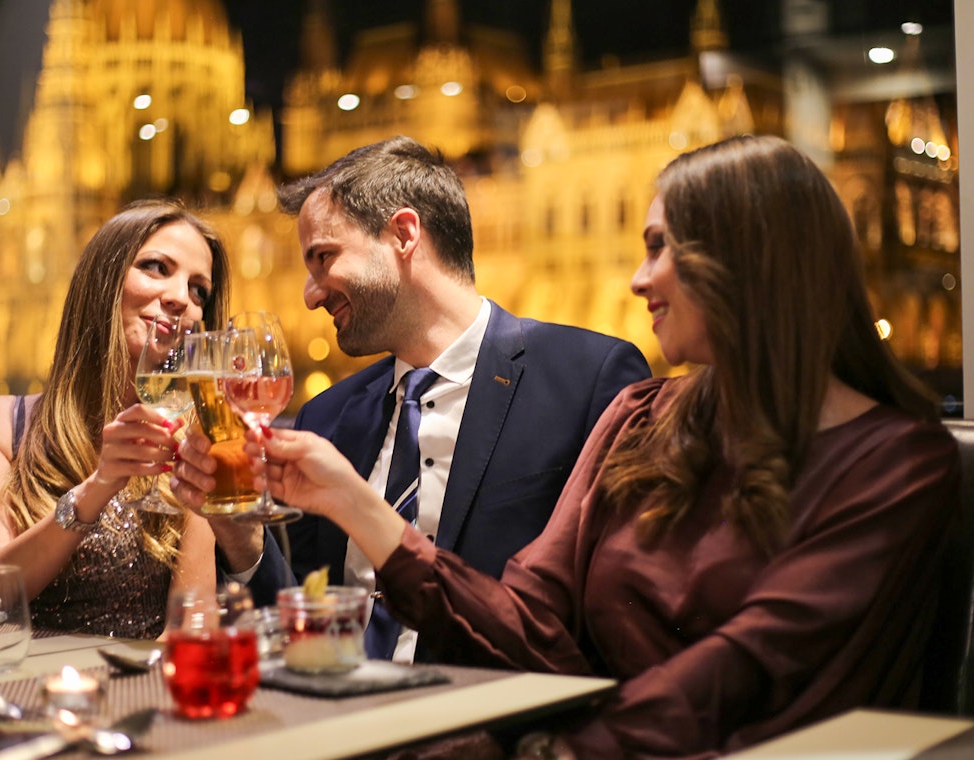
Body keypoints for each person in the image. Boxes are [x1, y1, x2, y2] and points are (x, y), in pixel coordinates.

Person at [235, 136, 960, 758]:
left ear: (750, 260)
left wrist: (549, 750)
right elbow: (530, 621)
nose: (640, 279)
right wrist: (358, 508)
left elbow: (749, 668)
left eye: (660, 247)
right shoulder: (640, 416)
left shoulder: (898, 462)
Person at [172, 136, 650, 662]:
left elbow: (613, 623)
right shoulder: (326, 416)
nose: (310, 294)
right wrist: (241, 541)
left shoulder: (589, 379)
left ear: (403, 234)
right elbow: (296, 624)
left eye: (324, 258)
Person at [0, 199, 230, 638]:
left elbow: (192, 625)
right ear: (102, 282)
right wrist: (98, 487)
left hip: (139, 689)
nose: (182, 298)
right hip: (21, 687)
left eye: (199, 290)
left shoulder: (193, 439)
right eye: (157, 267)